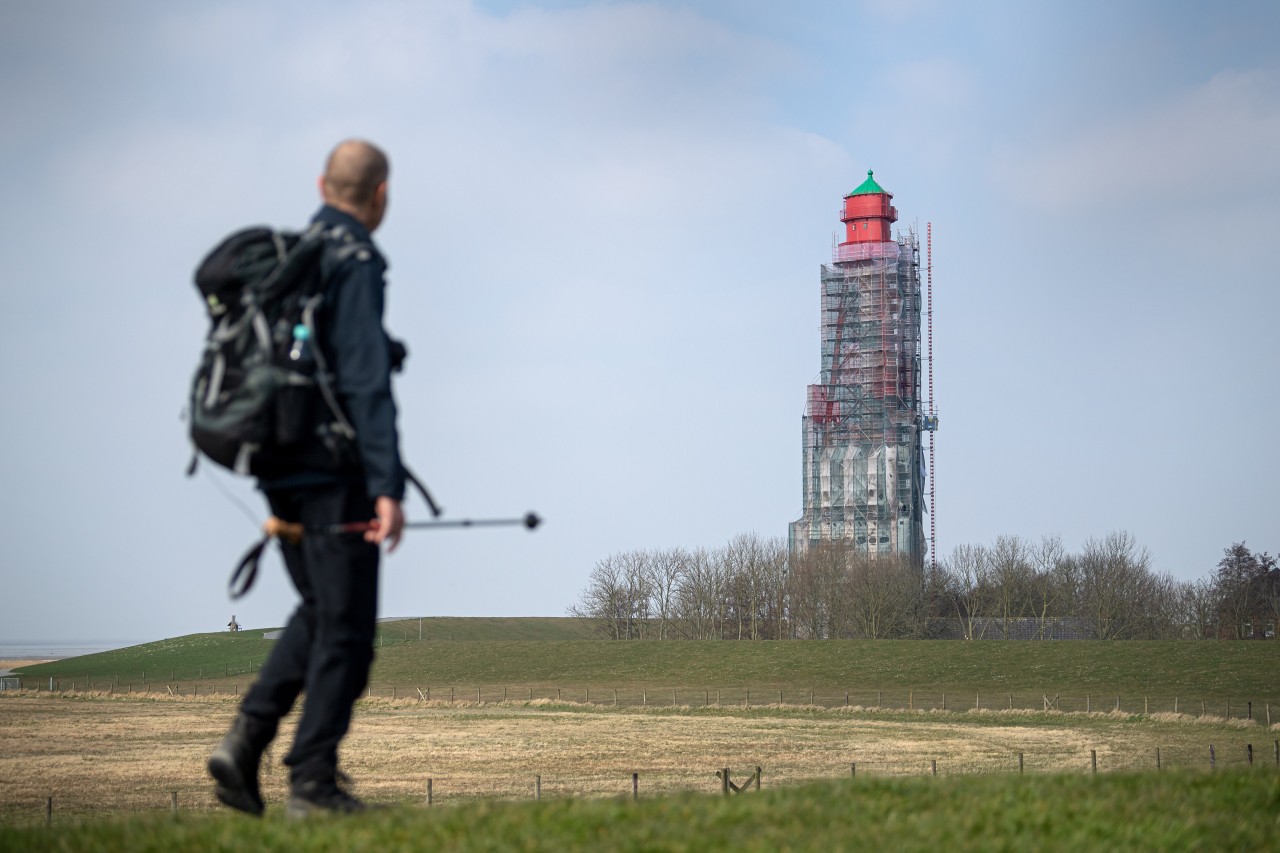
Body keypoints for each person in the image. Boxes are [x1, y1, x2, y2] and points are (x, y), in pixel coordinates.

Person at [207, 139, 407, 819]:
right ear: (380, 194)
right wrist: (387, 485)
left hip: (274, 462)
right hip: (330, 471)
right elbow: (364, 381)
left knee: (322, 608)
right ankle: (312, 782)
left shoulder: (293, 259)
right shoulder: (353, 261)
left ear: (323, 184)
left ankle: (245, 740)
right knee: (347, 628)